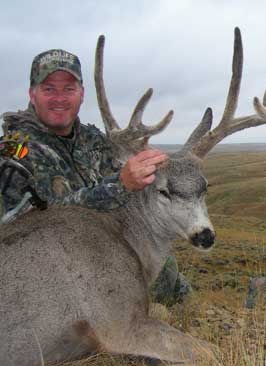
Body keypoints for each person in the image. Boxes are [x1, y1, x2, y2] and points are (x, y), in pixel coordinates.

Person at [0, 48, 190, 304]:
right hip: (51, 273)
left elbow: (125, 190)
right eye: (49, 89)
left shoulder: (94, 139)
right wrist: (120, 184)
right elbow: (35, 225)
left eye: (68, 89)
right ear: (32, 95)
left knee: (167, 269)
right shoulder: (13, 150)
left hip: (105, 248)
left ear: (81, 95)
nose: (60, 98)